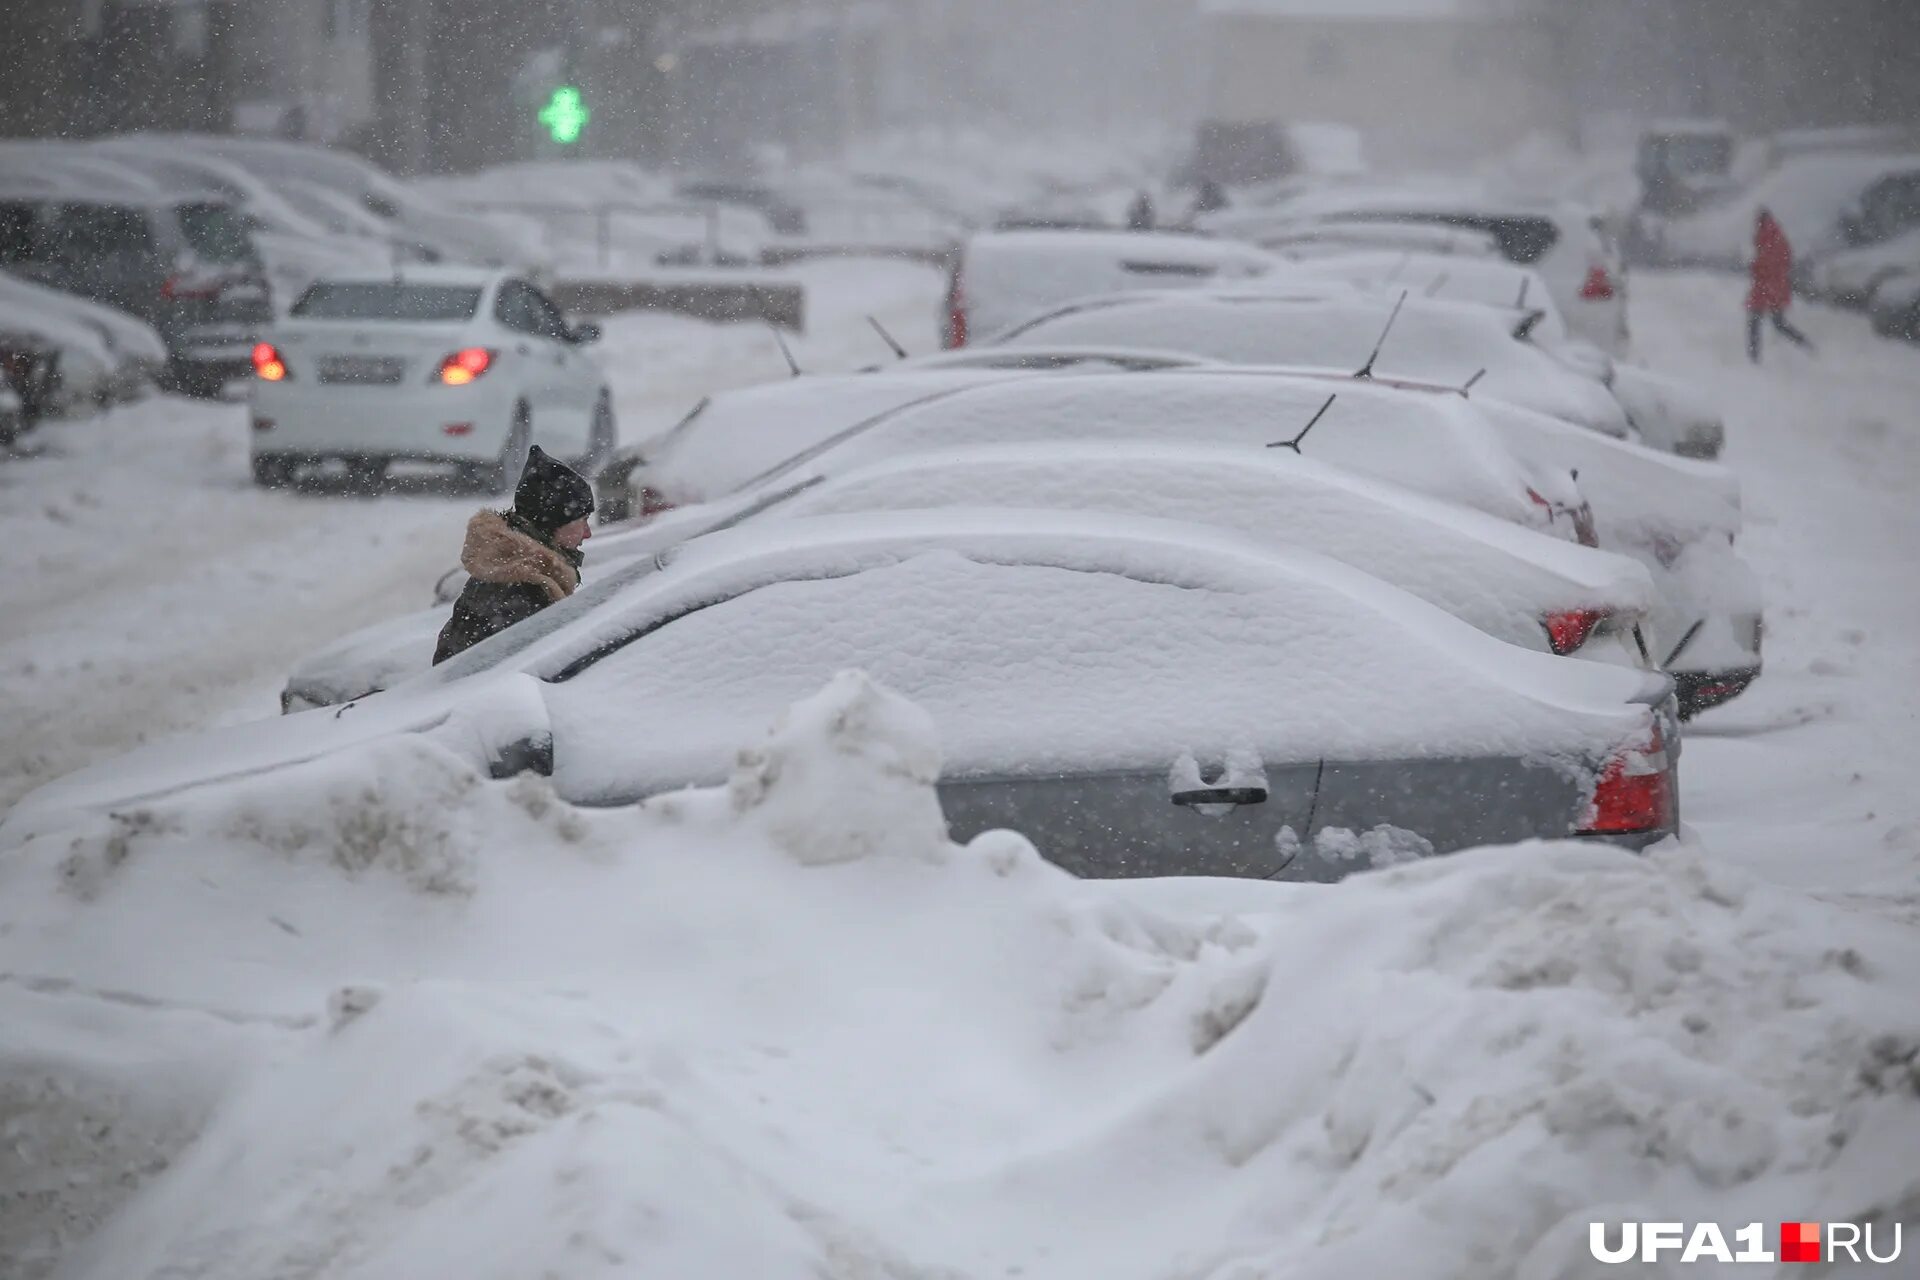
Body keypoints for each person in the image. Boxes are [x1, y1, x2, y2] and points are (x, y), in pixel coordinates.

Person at [433, 446, 594, 665]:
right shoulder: (520, 590)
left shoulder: (521, 573)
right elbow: (518, 672)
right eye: (582, 520)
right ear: (553, 522)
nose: (588, 533)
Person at [1746, 206, 1814, 363]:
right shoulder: (1775, 236)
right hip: (1775, 287)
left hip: (1767, 287)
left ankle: (1753, 356)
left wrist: (1755, 267)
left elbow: (1766, 263)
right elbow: (1783, 260)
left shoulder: (1768, 237)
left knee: (1757, 322)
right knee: (1777, 323)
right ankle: (1804, 343)